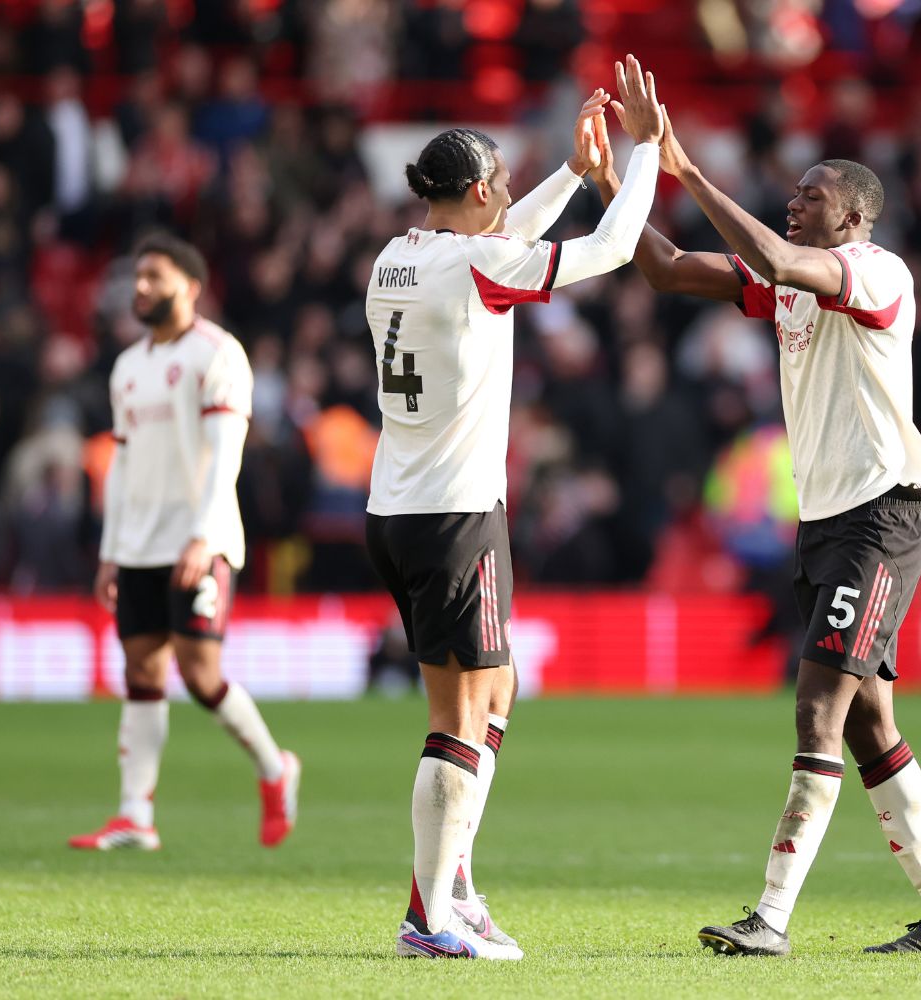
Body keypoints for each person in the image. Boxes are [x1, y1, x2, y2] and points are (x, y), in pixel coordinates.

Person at [588, 105, 921, 955]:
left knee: (817, 710)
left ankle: (769, 918)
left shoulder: (877, 272)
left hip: (881, 516)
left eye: (813, 196)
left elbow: (772, 255)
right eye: (794, 194)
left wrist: (687, 170)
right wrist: (611, 181)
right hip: (829, 522)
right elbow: (664, 269)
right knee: (869, 724)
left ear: (855, 215)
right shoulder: (793, 283)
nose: (796, 203)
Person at [365, 56, 666, 961]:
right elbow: (611, 249)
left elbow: (501, 243)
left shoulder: (398, 258)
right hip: (454, 514)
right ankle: (429, 916)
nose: (505, 192)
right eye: (499, 180)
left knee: (495, 693)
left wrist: (571, 171)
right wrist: (645, 151)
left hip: (402, 506)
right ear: (474, 191)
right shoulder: (472, 264)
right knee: (459, 718)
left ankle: (453, 885)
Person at [69, 233, 299, 852]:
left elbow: (226, 455)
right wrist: (110, 551)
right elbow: (121, 466)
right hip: (137, 544)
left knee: (200, 675)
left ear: (190, 286)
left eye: (155, 276)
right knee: (141, 668)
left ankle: (275, 768)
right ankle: (135, 816)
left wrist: (204, 535)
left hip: (200, 539)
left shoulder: (217, 354)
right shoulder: (127, 366)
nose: (141, 286)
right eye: (138, 276)